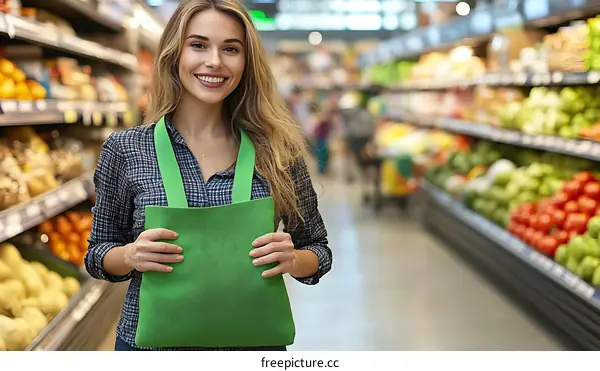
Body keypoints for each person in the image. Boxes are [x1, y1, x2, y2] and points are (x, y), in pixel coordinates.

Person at [84, 0, 332, 351]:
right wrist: (130, 256)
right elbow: (98, 254)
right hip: (151, 349)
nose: (214, 61)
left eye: (231, 49)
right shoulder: (126, 149)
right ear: (175, 54)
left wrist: (294, 260)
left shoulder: (279, 153)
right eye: (198, 45)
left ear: (247, 63)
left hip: (252, 345)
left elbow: (318, 250)